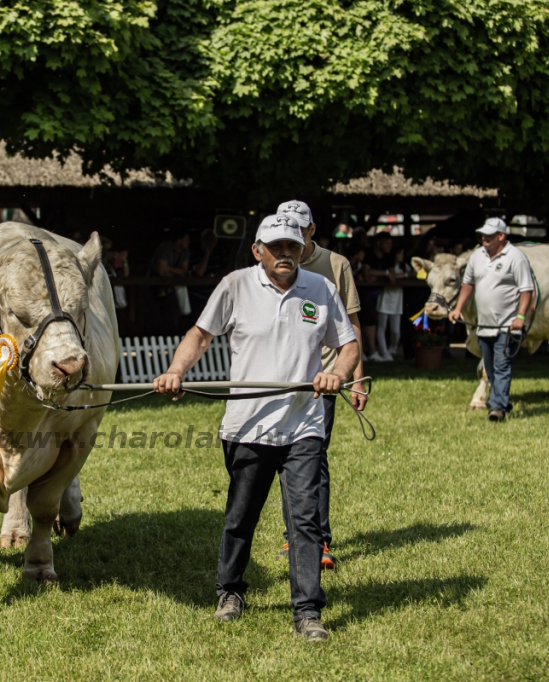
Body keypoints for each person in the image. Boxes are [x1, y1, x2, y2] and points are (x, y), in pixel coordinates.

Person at [153, 213, 359, 642]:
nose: (286, 252)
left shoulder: (320, 289)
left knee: (305, 522)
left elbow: (349, 343)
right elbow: (201, 334)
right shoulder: (236, 285)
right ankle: (230, 591)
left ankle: (307, 611)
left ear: (302, 248)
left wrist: (337, 373)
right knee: (240, 518)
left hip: (303, 424)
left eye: (293, 245)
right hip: (247, 426)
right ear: (258, 250)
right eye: (276, 246)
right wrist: (176, 370)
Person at [276, 200, 367, 571]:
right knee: (282, 455)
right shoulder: (272, 260)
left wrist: (357, 375)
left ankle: (319, 540)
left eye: (300, 231)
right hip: (279, 378)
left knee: (313, 457)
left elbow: (353, 323)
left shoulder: (336, 265)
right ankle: (292, 536)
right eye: (287, 230)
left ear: (312, 230)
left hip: (324, 378)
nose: (292, 240)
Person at [448, 218, 533, 422]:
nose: (484, 238)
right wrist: (458, 308)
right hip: (483, 325)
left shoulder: (516, 257)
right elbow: (468, 283)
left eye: (489, 235)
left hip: (508, 325)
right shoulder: (477, 256)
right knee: (490, 366)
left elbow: (526, 289)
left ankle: (497, 409)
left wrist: (520, 317)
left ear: (501, 236)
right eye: (483, 234)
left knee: (502, 366)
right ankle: (501, 400)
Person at [148, 232, 193, 335]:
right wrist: (176, 272)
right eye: (186, 239)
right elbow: (161, 271)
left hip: (172, 290)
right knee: (156, 319)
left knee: (171, 318)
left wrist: (168, 269)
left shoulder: (185, 251)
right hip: (155, 288)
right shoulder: (165, 247)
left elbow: (184, 271)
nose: (188, 242)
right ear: (179, 239)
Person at [361, 231, 395, 361]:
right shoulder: (369, 254)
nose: (389, 246)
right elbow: (366, 273)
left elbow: (391, 276)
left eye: (390, 243)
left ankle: (369, 351)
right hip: (365, 294)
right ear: (378, 243)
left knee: (373, 322)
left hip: (380, 295)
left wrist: (379, 274)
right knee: (367, 322)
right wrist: (384, 273)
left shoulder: (388, 256)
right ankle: (371, 352)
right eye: (387, 243)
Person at [375, 247, 409, 360]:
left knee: (395, 331)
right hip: (384, 299)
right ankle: (384, 352)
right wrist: (404, 275)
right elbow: (392, 277)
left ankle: (392, 350)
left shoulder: (405, 267)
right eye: (399, 253)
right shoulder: (387, 266)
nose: (401, 256)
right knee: (381, 328)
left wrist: (404, 275)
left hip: (397, 302)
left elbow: (412, 273)